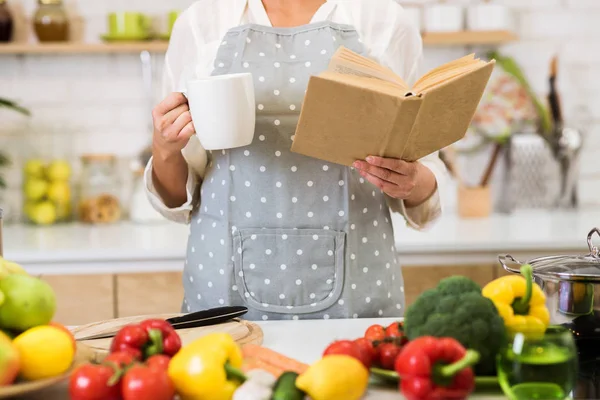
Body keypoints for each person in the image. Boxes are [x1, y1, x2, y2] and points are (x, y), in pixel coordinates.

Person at [145, 0, 447, 321]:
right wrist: (164, 148)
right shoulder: (200, 23)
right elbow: (178, 199)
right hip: (224, 296)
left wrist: (412, 180)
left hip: (358, 294)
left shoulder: (385, 21)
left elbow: (424, 183)